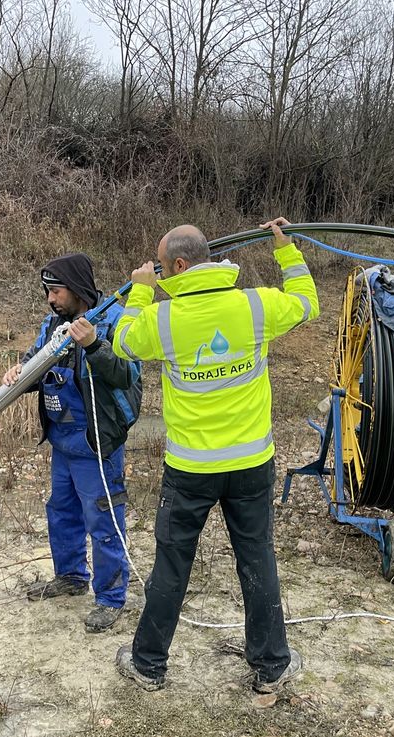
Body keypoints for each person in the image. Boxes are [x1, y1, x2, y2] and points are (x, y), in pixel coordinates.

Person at [111, 217, 318, 692]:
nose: (160, 277)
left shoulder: (161, 319)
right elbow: (308, 303)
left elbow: (123, 341)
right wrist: (285, 250)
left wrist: (141, 291)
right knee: (257, 559)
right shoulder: (255, 305)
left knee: (172, 563)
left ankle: (148, 665)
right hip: (250, 465)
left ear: (180, 264)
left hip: (190, 471)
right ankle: (271, 667)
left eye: (162, 270)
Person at [3, 252, 142, 632]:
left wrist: (94, 344)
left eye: (57, 290)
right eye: (47, 291)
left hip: (98, 445)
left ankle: (111, 598)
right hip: (63, 444)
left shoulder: (115, 321)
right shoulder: (53, 325)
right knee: (61, 512)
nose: (51, 299)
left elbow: (126, 376)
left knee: (104, 519)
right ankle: (71, 576)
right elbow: (35, 364)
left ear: (78, 288)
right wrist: (20, 371)